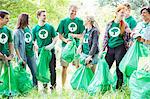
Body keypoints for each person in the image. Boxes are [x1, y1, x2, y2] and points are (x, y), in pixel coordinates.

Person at [102, 5, 131, 89]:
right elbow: (105, 37)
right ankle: (104, 85)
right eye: (122, 12)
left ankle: (119, 87)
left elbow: (129, 39)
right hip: (110, 48)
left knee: (119, 68)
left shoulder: (125, 25)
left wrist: (129, 33)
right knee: (106, 67)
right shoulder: (110, 23)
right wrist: (102, 49)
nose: (123, 14)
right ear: (117, 12)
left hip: (120, 48)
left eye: (124, 13)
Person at [57, 5, 85, 88]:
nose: (74, 13)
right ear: (69, 10)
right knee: (64, 67)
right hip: (65, 47)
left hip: (76, 47)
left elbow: (82, 35)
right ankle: (63, 87)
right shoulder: (63, 21)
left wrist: (74, 35)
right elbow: (60, 35)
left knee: (77, 66)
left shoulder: (80, 21)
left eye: (75, 11)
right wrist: (66, 41)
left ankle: (77, 85)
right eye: (72, 10)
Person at [32, 9, 58, 90]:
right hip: (41, 52)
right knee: (43, 68)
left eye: (45, 15)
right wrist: (35, 45)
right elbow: (33, 40)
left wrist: (52, 45)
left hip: (50, 51)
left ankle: (53, 85)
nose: (45, 17)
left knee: (52, 69)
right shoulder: (35, 29)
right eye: (43, 15)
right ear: (38, 16)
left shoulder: (50, 27)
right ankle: (44, 84)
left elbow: (55, 37)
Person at [13, 13, 37, 87]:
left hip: (30, 54)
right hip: (22, 55)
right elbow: (15, 46)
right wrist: (20, 59)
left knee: (35, 73)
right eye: (28, 19)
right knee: (22, 73)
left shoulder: (29, 29)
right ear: (24, 20)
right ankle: (23, 90)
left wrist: (34, 44)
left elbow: (30, 40)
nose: (29, 20)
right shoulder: (17, 32)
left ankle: (35, 88)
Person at [0, 10, 14, 77]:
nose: (8, 20)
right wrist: (2, 56)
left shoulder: (8, 30)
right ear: (0, 18)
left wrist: (11, 55)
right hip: (2, 56)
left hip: (6, 57)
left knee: (8, 77)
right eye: (6, 18)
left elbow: (10, 43)